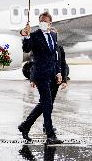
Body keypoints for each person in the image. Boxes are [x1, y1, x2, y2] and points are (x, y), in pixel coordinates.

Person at [18, 12, 63, 144]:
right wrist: (25, 36)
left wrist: (58, 72)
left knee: (44, 104)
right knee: (47, 103)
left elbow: (55, 56)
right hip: (40, 74)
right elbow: (26, 49)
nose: (42, 22)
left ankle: (25, 126)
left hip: (51, 73)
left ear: (50, 23)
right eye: (40, 20)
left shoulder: (53, 35)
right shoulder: (35, 35)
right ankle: (50, 135)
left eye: (45, 21)